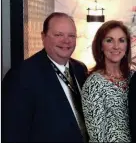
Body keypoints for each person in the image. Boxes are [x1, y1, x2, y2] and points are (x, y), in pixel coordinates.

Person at [2, 12, 88, 142]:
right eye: (58, 35)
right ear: (43, 37)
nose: (66, 40)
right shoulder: (21, 75)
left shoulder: (80, 69)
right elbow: (12, 133)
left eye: (71, 35)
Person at [81, 20, 132, 142]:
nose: (116, 46)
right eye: (109, 40)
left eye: (121, 40)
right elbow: (97, 138)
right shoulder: (93, 84)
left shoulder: (134, 77)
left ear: (127, 46)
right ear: (101, 46)